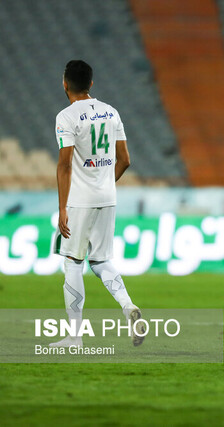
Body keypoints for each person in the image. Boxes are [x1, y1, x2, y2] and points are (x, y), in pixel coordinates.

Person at [50, 60, 145, 347]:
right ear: (91, 84)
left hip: (80, 200)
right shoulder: (111, 112)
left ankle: (75, 337)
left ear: (65, 83)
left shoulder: (66, 117)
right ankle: (128, 306)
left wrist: (63, 208)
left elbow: (65, 165)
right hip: (107, 198)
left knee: (73, 262)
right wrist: (105, 184)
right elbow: (125, 159)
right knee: (102, 260)